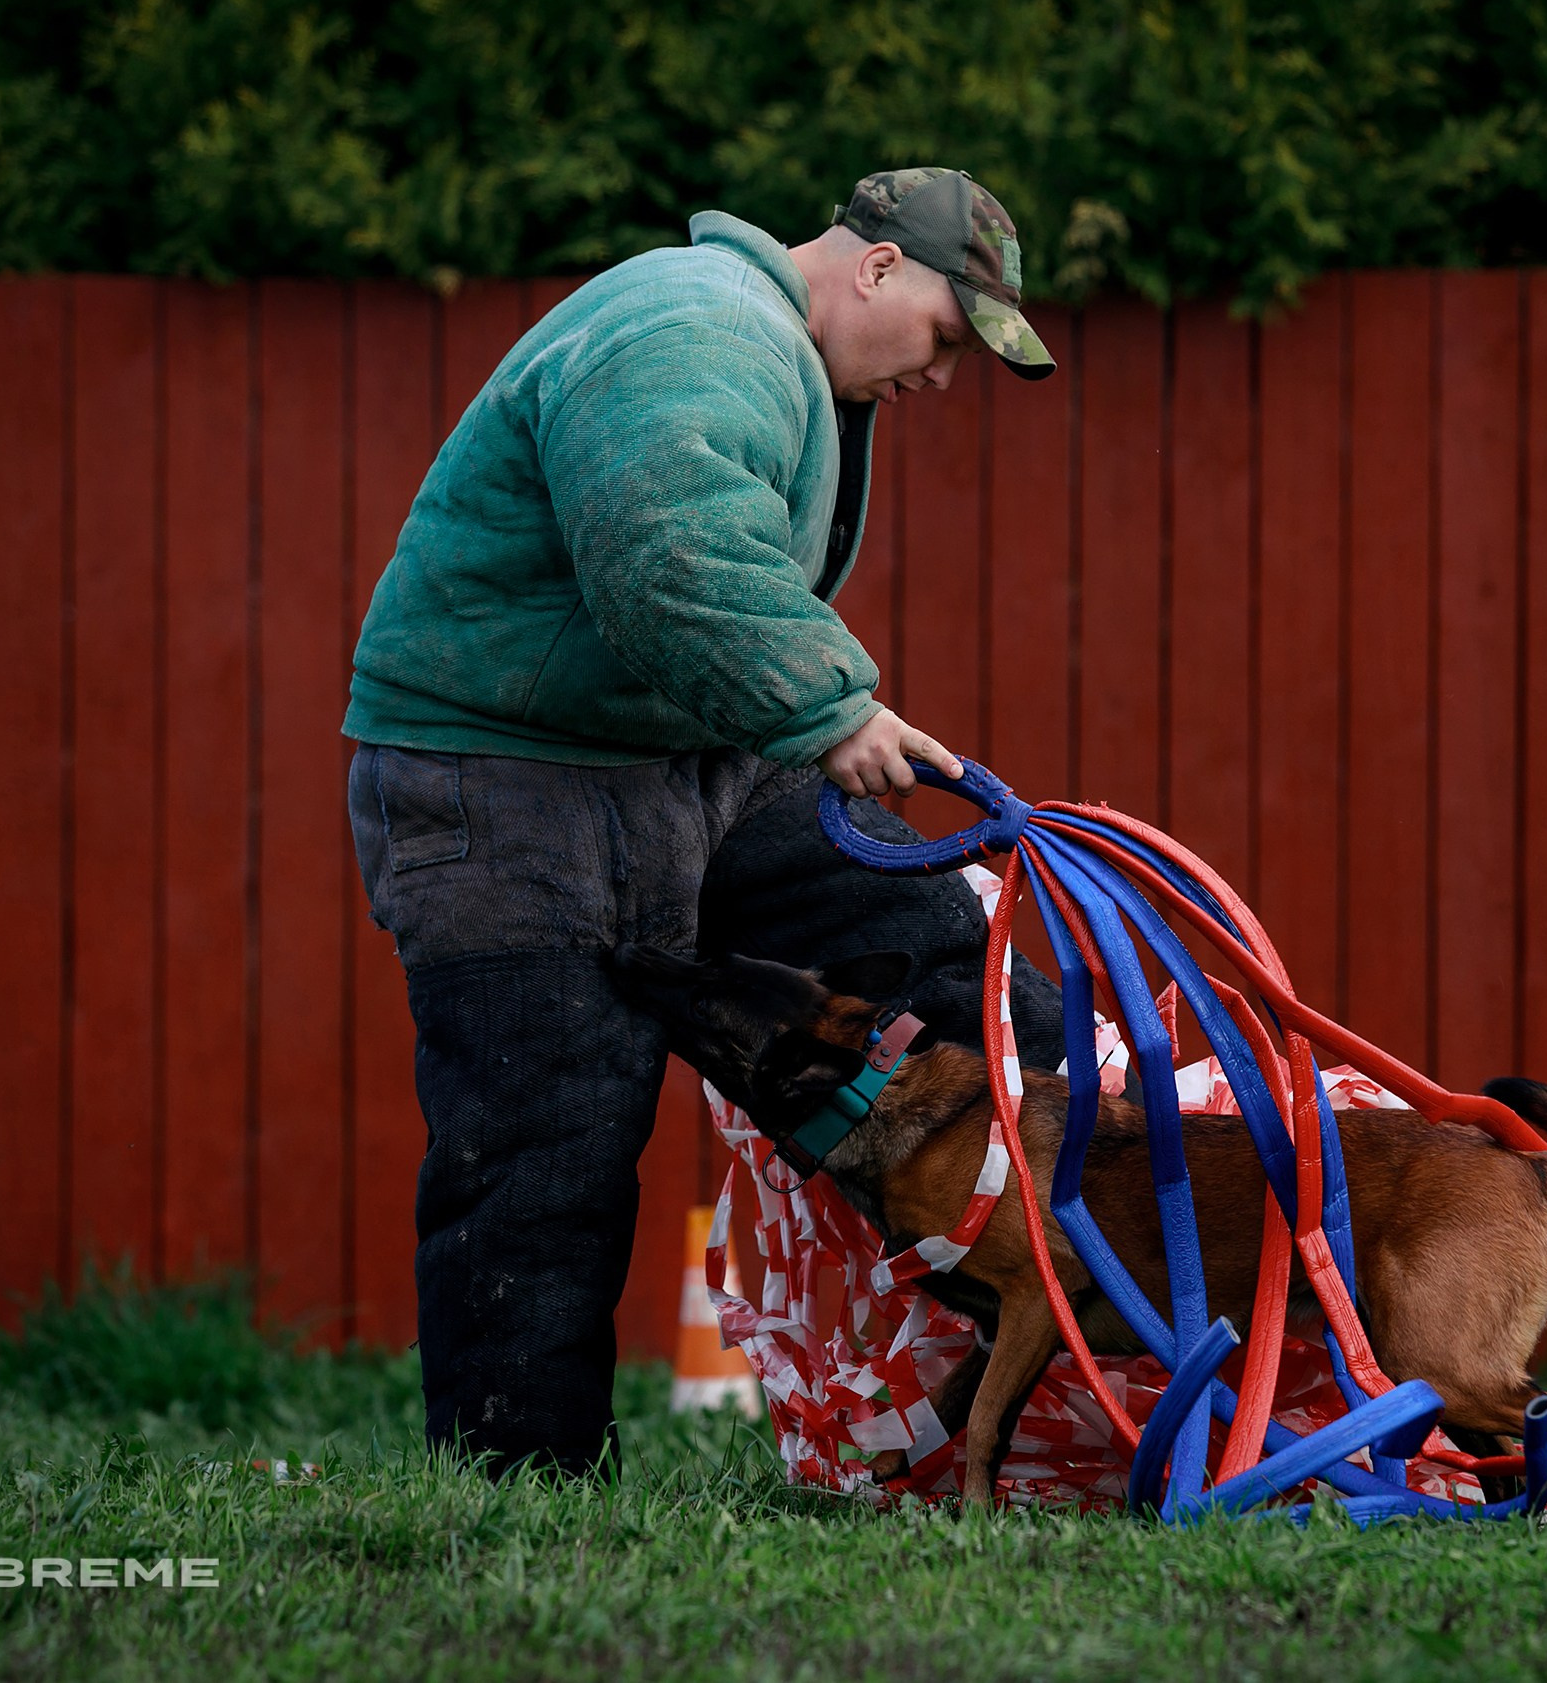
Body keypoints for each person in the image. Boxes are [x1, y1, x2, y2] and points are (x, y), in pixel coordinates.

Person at [344, 169, 1070, 1475]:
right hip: (499, 781)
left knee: (959, 969)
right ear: (877, 270)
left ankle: (1071, 1331)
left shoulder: (769, 349)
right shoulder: (697, 329)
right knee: (548, 1138)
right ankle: (524, 1487)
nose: (941, 379)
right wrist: (834, 708)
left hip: (680, 762)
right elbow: (666, 550)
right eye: (946, 339)